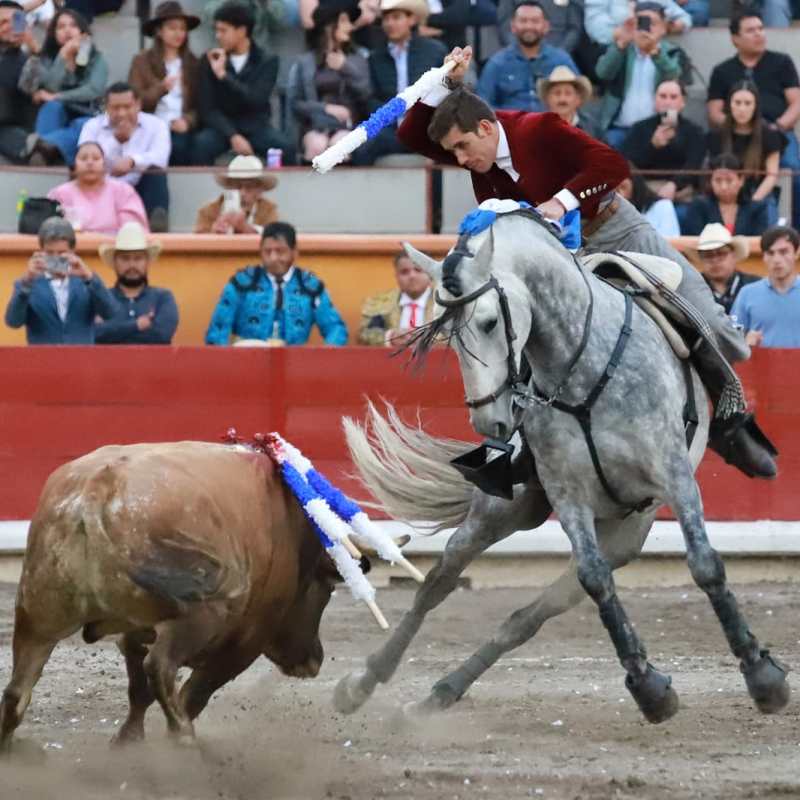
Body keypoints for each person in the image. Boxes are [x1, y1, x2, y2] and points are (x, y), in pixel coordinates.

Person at [396, 44, 777, 478]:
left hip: (617, 229)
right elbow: (409, 136)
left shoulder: (538, 129)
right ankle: (510, 447)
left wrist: (561, 201)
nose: (460, 161)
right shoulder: (472, 146)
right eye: (454, 152)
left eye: (462, 148)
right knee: (514, 326)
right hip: (554, 255)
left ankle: (731, 426)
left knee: (710, 322)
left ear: (486, 128)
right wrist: (444, 80)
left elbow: (613, 165)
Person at [706, 9, 800, 227]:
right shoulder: (723, 71)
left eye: (760, 28)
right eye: (751, 30)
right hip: (734, 135)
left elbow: (796, 103)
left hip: (777, 134)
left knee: (795, 175)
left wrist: (777, 126)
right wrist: (739, 123)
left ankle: (794, 233)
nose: (759, 34)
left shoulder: (782, 62)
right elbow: (714, 112)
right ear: (735, 39)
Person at [205, 221, 348, 345]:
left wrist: (323, 358)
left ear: (295, 252)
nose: (273, 258)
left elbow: (336, 329)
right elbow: (218, 329)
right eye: (267, 251)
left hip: (294, 364)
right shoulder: (242, 283)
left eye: (280, 251)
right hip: (249, 362)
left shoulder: (310, 287)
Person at [194, 1, 295, 166]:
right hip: (222, 128)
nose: (218, 35)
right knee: (201, 145)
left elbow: (256, 99)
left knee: (286, 149)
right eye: (216, 30)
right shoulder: (210, 59)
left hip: (256, 127)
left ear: (241, 31)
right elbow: (207, 109)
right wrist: (233, 135)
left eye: (223, 30)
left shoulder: (267, 61)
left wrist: (224, 76)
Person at [350, 0, 446, 166]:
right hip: (391, 128)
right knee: (362, 144)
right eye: (386, 19)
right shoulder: (375, 57)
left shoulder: (434, 51)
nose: (390, 23)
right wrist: (392, 116)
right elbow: (371, 98)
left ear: (411, 20)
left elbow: (445, 91)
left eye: (396, 17)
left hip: (427, 126)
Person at [4, 216, 116, 344]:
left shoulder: (86, 282)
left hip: (80, 360)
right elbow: (13, 322)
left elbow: (110, 313)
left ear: (72, 251)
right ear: (41, 251)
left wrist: (88, 277)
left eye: (62, 253)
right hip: (43, 361)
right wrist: (27, 282)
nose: (56, 258)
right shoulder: (29, 284)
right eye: (50, 253)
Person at [78, 82, 171, 232]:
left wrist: (132, 161)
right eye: (115, 108)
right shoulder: (92, 126)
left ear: (138, 105)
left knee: (156, 172)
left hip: (141, 185)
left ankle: (156, 227)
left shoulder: (156, 125)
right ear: (106, 108)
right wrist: (116, 140)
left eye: (127, 107)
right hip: (104, 185)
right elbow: (84, 157)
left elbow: (160, 157)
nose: (121, 113)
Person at [286, 0, 370, 164]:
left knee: (340, 146)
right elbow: (295, 103)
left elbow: (366, 93)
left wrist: (344, 67)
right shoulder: (305, 62)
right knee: (317, 145)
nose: (350, 27)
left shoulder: (358, 57)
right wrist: (326, 108)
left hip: (347, 127)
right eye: (344, 21)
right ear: (328, 26)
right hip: (315, 126)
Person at [595, 2, 682, 149]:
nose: (646, 28)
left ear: (663, 28)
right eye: (641, 22)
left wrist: (655, 52)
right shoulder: (621, 49)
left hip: (657, 127)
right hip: (619, 128)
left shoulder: (672, 52)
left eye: (652, 23)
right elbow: (602, 73)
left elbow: (674, 75)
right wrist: (621, 43)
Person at [27, 8, 108, 165]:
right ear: (54, 33)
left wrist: (58, 96)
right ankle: (45, 153)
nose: (67, 30)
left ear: (83, 32)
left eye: (73, 26)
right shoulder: (46, 59)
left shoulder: (97, 58)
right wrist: (62, 57)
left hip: (88, 112)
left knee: (82, 124)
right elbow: (50, 87)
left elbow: (93, 90)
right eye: (61, 27)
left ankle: (43, 147)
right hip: (58, 113)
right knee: (52, 107)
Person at [128, 1, 202, 168]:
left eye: (182, 29)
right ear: (159, 31)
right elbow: (134, 100)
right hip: (150, 124)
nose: (179, 33)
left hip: (179, 126)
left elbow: (202, 104)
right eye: (172, 28)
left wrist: (188, 121)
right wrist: (161, 88)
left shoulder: (193, 63)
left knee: (182, 146)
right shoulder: (142, 61)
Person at [476, 1, 579, 113]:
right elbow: (483, 105)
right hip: (510, 127)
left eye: (535, 21)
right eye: (523, 21)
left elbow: (578, 97)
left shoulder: (561, 60)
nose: (529, 26)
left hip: (551, 126)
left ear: (546, 26)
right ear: (513, 26)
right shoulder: (497, 63)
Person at [707, 81, 786, 224]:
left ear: (755, 106)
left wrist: (753, 202)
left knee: (766, 213)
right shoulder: (717, 135)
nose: (742, 109)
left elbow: (771, 176)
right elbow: (714, 173)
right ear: (729, 105)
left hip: (758, 194)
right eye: (737, 102)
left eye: (747, 103)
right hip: (724, 194)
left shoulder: (769, 135)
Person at [620, 79, 706, 207]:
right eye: (663, 96)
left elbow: (694, 165)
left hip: (681, 192)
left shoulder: (694, 131)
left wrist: (674, 185)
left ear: (682, 102)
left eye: (673, 97)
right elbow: (627, 163)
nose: (667, 102)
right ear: (655, 100)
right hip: (644, 191)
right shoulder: (639, 128)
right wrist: (652, 146)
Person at [94, 222, 179, 344]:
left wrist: (113, 331)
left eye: (138, 258)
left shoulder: (163, 298)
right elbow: (94, 334)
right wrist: (136, 325)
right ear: (115, 262)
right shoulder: (102, 298)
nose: (132, 265)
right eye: (125, 258)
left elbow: (161, 335)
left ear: (147, 262)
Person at [47, 141, 149, 234]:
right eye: (83, 158)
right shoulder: (59, 194)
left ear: (104, 165)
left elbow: (133, 231)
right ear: (74, 166)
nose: (90, 163)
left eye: (96, 158)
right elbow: (50, 232)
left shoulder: (123, 191)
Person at [731, 224, 800, 348]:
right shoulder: (747, 294)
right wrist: (745, 342)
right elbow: (731, 341)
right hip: (761, 366)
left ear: (796, 253)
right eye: (770, 253)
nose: (777, 259)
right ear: (764, 256)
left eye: (783, 252)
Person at [682, 154, 770, 237]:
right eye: (718, 180)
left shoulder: (757, 208)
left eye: (729, 180)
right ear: (710, 181)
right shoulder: (699, 206)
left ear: (741, 180)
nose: (723, 187)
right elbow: (692, 239)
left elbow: (759, 241)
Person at [359, 251, 434, 345]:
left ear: (430, 274)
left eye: (418, 270)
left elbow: (455, 333)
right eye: (404, 272)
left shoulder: (447, 303)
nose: (412, 276)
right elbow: (364, 334)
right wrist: (390, 337)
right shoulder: (380, 303)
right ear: (397, 277)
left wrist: (429, 338)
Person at [194, 154, 279, 234]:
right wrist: (213, 233)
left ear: (260, 190)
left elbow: (274, 238)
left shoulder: (269, 210)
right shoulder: (209, 210)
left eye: (249, 187)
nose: (242, 193)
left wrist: (245, 228)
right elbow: (196, 242)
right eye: (237, 187)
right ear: (228, 187)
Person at [687, 223, 758, 315]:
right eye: (708, 255)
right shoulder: (693, 288)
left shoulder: (753, 285)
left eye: (721, 253)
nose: (715, 260)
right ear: (701, 259)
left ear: (733, 255)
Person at [0, 0, 37, 164]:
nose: (9, 27)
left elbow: (30, 88)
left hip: (11, 127)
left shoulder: (30, 60)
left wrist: (35, 53)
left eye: (16, 21)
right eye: (3, 22)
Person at [496, 0, 583, 55]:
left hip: (560, 53)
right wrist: (521, 52)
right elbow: (506, 27)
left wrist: (559, 53)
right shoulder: (499, 63)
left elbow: (574, 29)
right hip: (518, 53)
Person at [537, 65, 599, 139]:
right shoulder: (538, 130)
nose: (562, 99)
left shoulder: (592, 128)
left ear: (578, 99)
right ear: (548, 99)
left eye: (568, 93)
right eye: (557, 93)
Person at [617, 169, 680, 237]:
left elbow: (671, 241)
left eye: (623, 187)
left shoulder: (662, 206)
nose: (620, 196)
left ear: (635, 183)